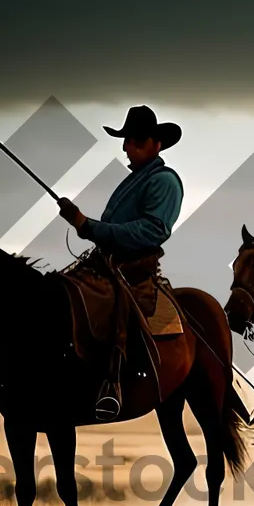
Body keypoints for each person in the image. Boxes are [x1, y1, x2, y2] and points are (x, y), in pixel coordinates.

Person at [56, 105, 184, 419]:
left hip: (134, 270)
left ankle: (112, 384)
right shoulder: (136, 179)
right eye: (127, 140)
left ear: (156, 144)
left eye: (136, 140)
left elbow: (153, 230)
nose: (127, 146)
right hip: (107, 264)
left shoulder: (164, 181)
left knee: (116, 307)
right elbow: (118, 229)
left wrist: (88, 226)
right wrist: (84, 225)